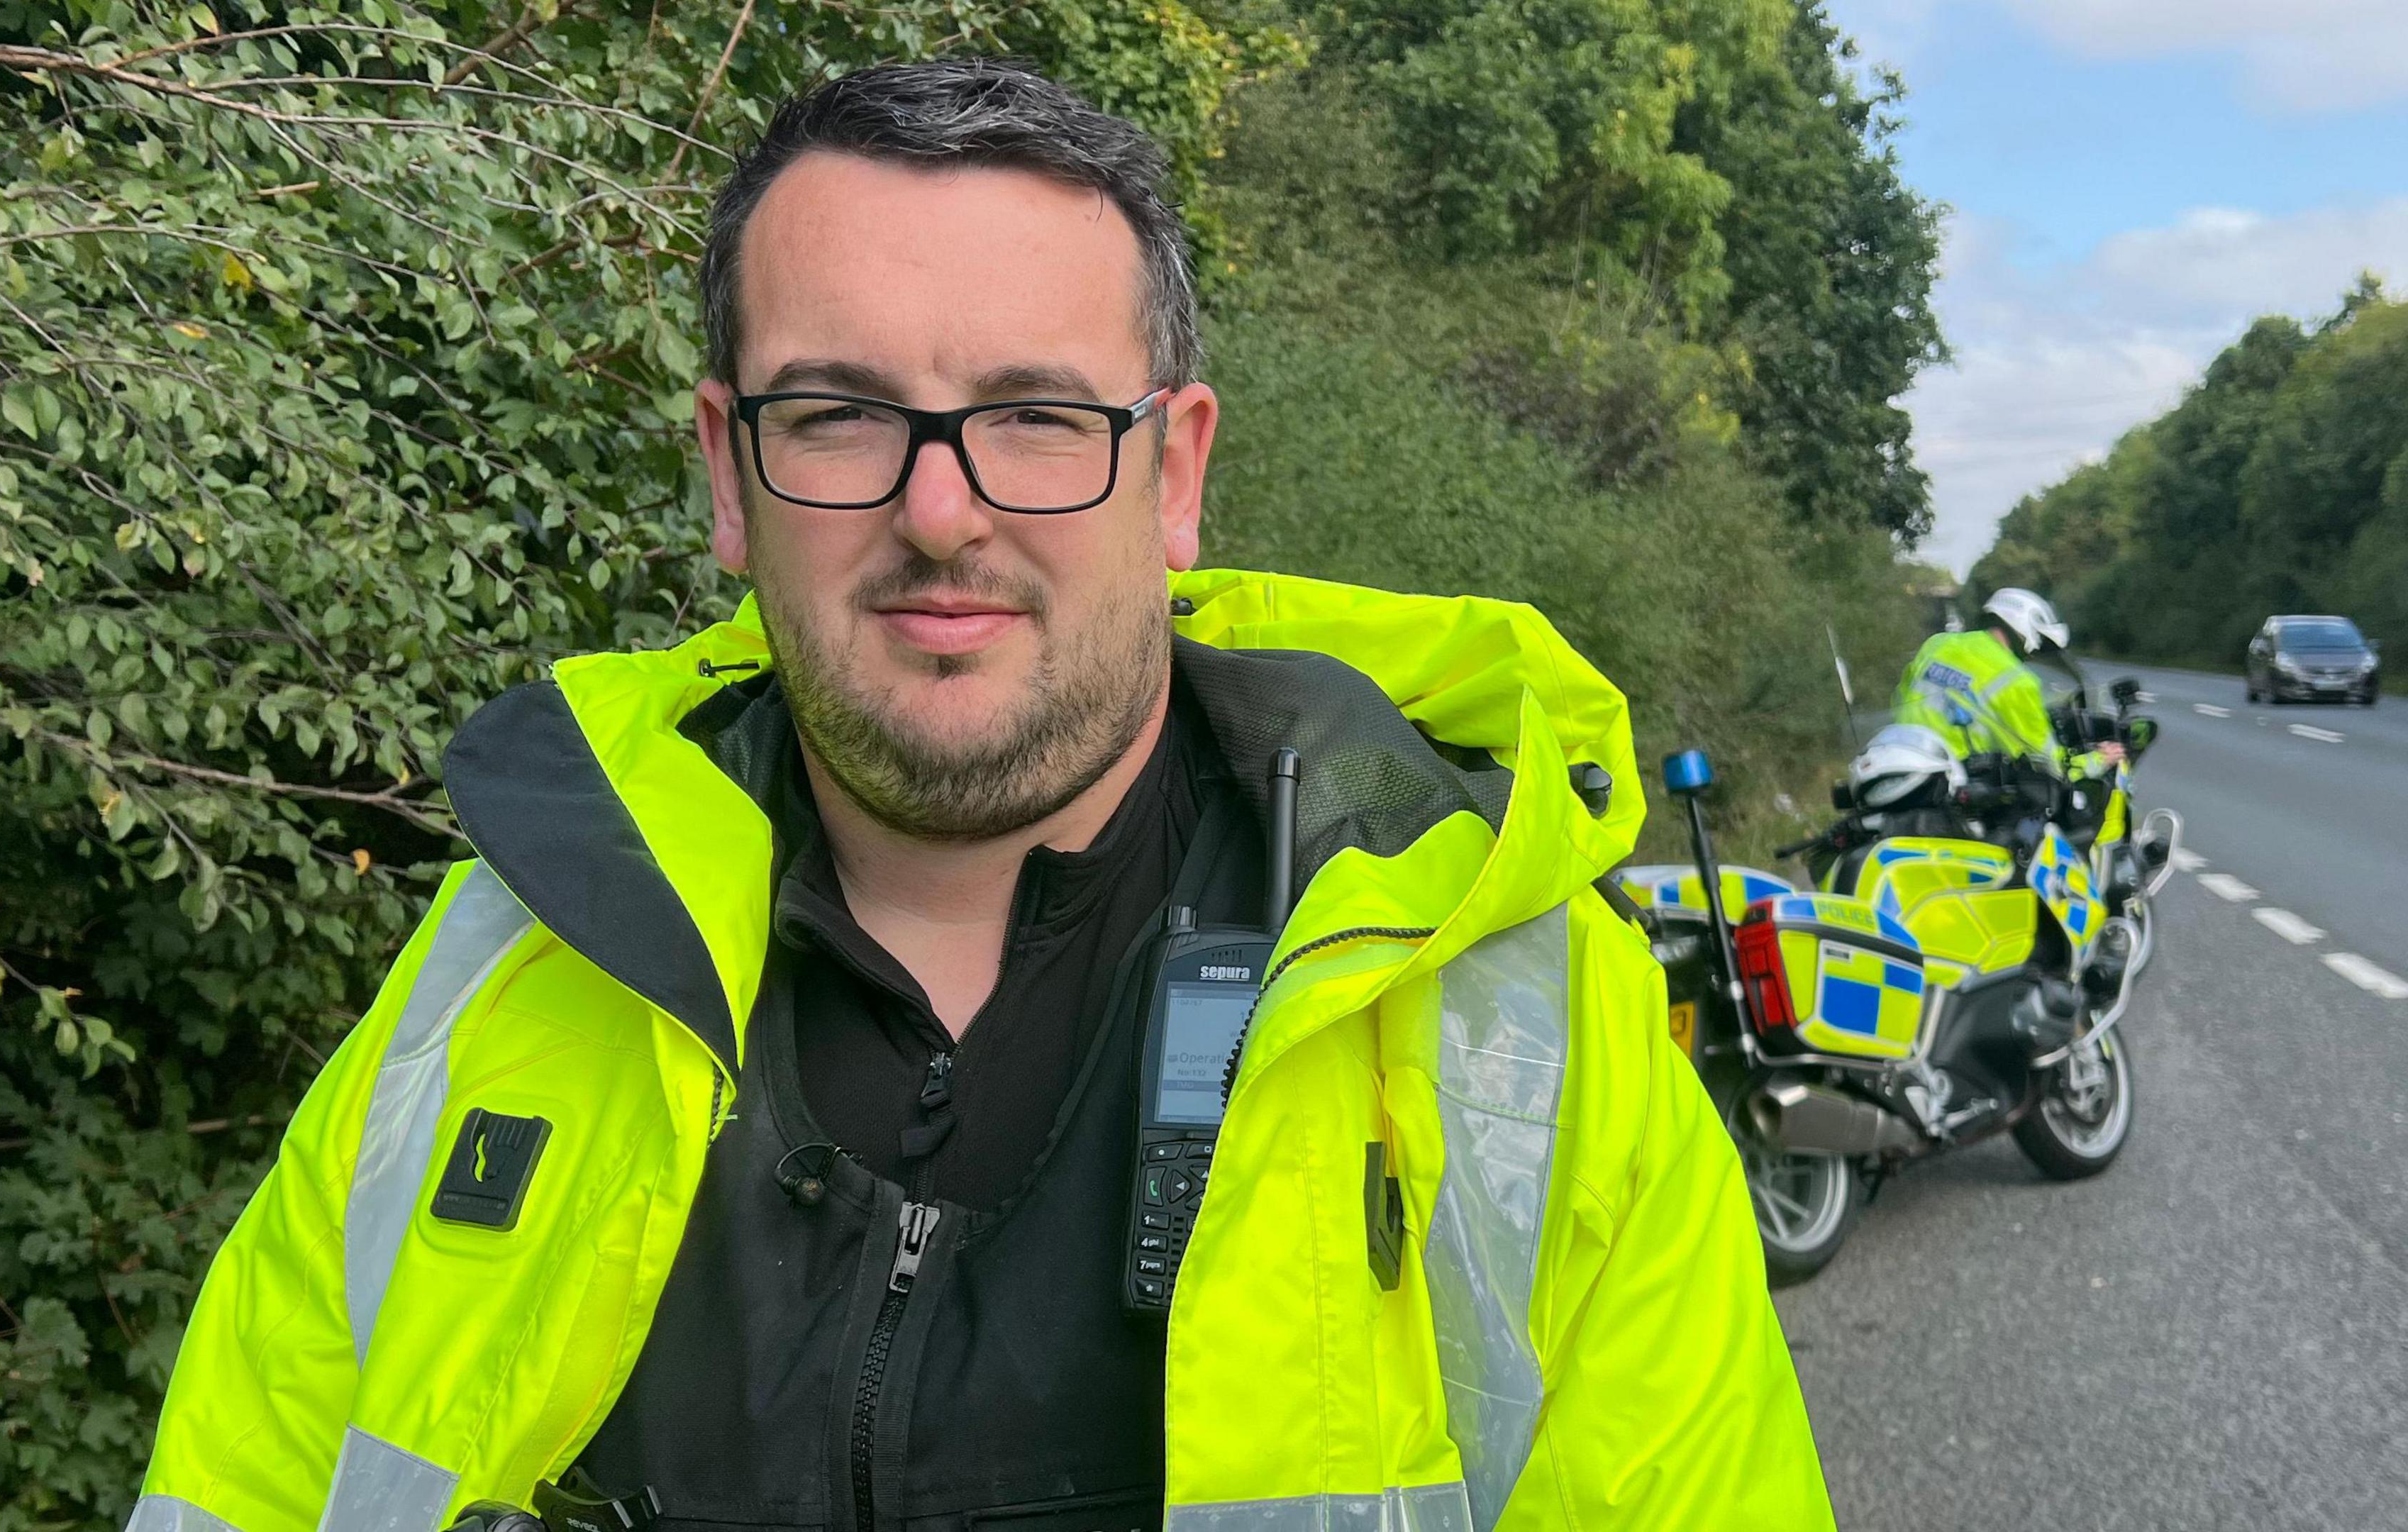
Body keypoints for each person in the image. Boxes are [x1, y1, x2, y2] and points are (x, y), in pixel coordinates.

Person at [125, 60, 1831, 1532]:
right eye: (840, 411)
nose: (940, 512)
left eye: (1030, 413)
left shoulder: (1517, 1028)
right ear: (727, 472)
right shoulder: (496, 984)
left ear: (1173, 475)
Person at [1894, 587, 2122, 778]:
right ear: (2025, 626)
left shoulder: (1937, 644)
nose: (2031, 654)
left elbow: (1900, 698)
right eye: (2039, 641)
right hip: (1960, 782)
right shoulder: (2018, 681)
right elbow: (2049, 764)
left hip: (1905, 765)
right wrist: (2097, 760)